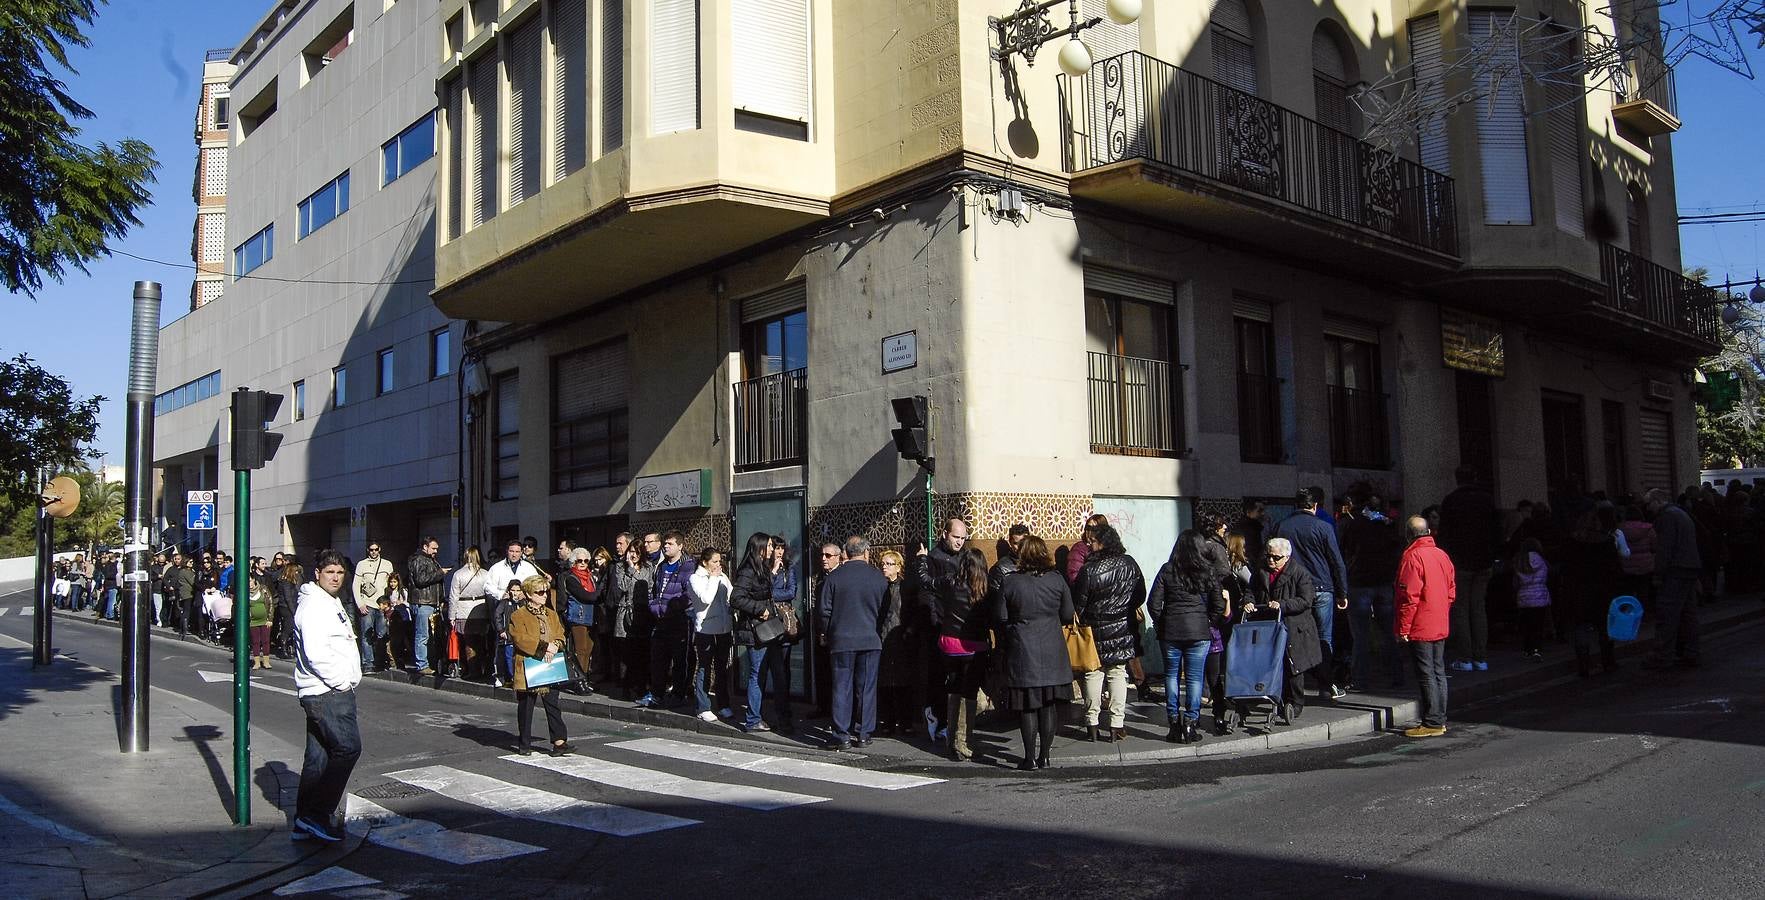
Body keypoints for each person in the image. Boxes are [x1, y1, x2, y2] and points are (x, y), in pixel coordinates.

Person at [290, 549, 363, 843]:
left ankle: (304, 821)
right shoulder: (313, 607)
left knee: (318, 758)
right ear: (317, 573)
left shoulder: (328, 601)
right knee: (348, 748)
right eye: (329, 572)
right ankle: (317, 815)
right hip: (327, 692)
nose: (335, 577)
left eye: (340, 572)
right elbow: (316, 653)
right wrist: (341, 683)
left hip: (325, 690)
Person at [993, 536, 1075, 770]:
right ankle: (1045, 756)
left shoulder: (1010, 582)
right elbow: (1068, 613)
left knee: (1028, 706)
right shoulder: (1057, 580)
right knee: (1048, 706)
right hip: (1053, 649)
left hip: (1022, 649)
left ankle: (1029, 758)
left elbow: (1001, 616)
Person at [1148, 529, 1227, 745]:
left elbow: (1153, 603)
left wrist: (1161, 622)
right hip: (1199, 632)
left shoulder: (1167, 570)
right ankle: (1191, 723)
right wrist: (1208, 620)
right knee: (1194, 678)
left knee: (1171, 676)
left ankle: (1174, 723)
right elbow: (1219, 604)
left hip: (1171, 631)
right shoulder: (1208, 571)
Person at [1272, 489, 1348, 699]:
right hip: (1321, 587)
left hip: (1292, 589)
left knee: (1294, 637)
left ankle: (1295, 685)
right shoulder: (1323, 527)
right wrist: (1342, 592)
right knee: (1324, 638)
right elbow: (1336, 560)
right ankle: (1325, 684)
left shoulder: (1282, 526)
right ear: (1315, 506)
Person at [1072, 523, 1145, 742]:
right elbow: (1139, 594)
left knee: (1094, 673)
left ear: (1102, 542)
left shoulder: (1089, 569)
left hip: (1095, 628)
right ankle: (1116, 724)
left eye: (1092, 541)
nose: (1090, 545)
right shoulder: (1129, 563)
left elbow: (1080, 603)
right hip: (1122, 625)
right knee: (1117, 673)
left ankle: (1092, 723)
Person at [919, 543, 991, 760]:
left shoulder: (951, 582)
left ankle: (953, 741)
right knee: (969, 693)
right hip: (974, 646)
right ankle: (962, 741)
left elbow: (926, 581)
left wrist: (922, 559)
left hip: (949, 643)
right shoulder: (987, 590)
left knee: (954, 688)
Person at [818, 536, 890, 751]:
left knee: (842, 686)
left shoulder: (834, 577)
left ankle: (842, 735)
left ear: (846, 553)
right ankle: (864, 733)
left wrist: (826, 632)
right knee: (867, 688)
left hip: (841, 640)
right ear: (866, 552)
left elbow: (824, 611)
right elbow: (884, 610)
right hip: (870, 639)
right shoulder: (878, 578)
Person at [1246, 537, 1323, 724]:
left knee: (1293, 666)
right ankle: (1277, 699)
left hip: (1293, 626)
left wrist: (1282, 604)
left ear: (1287, 557)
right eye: (1268, 556)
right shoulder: (1261, 571)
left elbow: (1306, 600)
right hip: (1269, 625)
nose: (1271, 560)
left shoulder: (1300, 573)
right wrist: (1247, 602)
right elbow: (1251, 591)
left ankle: (1295, 702)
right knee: (1274, 664)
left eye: (1276, 557)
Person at [1395, 516, 1456, 738]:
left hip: (1420, 622)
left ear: (1408, 534)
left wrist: (1403, 628)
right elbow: (1451, 590)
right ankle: (1439, 719)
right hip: (1439, 619)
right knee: (1438, 671)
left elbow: (1408, 597)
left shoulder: (1412, 557)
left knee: (1426, 673)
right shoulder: (1441, 554)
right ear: (1428, 531)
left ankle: (1432, 721)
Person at [1437, 466, 1501, 672]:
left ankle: (1465, 657)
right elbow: (1496, 530)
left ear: (1457, 480)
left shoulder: (1451, 502)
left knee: (1461, 609)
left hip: (1460, 562)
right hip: (1483, 561)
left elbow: (1445, 535)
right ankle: (1480, 656)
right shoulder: (1487, 500)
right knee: (1478, 608)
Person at [1339, 493, 1405, 691]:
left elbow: (1345, 552)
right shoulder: (1387, 524)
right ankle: (1395, 674)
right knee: (1387, 631)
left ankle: (1361, 678)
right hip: (1384, 582)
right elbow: (1396, 551)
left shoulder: (1353, 525)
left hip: (1360, 582)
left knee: (1361, 635)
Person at [509, 574, 576, 757]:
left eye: (546, 591)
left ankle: (559, 742)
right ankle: (524, 743)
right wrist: (544, 648)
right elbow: (519, 639)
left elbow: (561, 634)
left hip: (549, 664)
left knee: (553, 704)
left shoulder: (551, 614)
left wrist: (556, 645)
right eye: (540, 592)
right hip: (528, 665)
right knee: (526, 707)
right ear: (529, 594)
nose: (544, 595)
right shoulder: (518, 615)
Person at [729, 533, 784, 733]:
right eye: (769, 545)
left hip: (769, 629)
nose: (772, 549)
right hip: (756, 631)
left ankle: (781, 716)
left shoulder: (762, 568)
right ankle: (753, 719)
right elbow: (736, 598)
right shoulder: (748, 570)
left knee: (777, 672)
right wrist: (759, 609)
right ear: (759, 547)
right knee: (757, 673)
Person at [1563, 509, 1626, 676]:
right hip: (1603, 590)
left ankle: (1583, 665)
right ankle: (1608, 661)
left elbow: (1566, 569)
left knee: (1581, 627)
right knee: (1604, 627)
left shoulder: (1571, 543)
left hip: (1579, 590)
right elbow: (1615, 570)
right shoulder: (1606, 542)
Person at [1645, 488, 1702, 669]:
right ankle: (1691, 652)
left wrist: (1658, 574)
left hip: (1675, 570)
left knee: (1667, 614)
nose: (1648, 509)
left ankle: (1663, 656)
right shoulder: (1681, 514)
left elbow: (1665, 549)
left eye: (1648, 504)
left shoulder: (1667, 517)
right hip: (1689, 568)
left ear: (1657, 501)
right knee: (1688, 614)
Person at [638, 533, 696, 709]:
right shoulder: (662, 566)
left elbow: (690, 593)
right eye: (665, 544)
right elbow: (655, 590)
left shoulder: (688, 566)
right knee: (658, 659)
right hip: (661, 619)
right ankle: (657, 694)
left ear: (680, 545)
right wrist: (655, 607)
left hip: (680, 618)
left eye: (670, 544)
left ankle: (679, 694)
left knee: (680, 659)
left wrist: (673, 606)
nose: (666, 547)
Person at [876, 549, 923, 737]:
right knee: (885, 682)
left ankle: (905, 722)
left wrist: (909, 631)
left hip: (901, 639)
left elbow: (914, 611)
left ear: (898, 566)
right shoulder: (879, 587)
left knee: (903, 682)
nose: (885, 568)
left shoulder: (906, 587)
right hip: (883, 637)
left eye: (889, 564)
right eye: (883, 564)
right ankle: (888, 721)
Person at [689, 547, 736, 721]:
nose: (718, 565)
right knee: (704, 666)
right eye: (714, 561)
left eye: (719, 561)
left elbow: (731, 596)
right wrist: (714, 579)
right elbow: (705, 598)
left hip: (724, 628)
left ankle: (723, 704)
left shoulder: (723, 577)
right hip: (706, 630)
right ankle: (702, 706)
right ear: (704, 562)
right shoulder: (695, 579)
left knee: (722, 668)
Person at [615, 544, 656, 699]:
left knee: (642, 652)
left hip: (643, 613)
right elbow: (622, 586)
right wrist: (631, 568)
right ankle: (626, 687)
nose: (633, 555)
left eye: (637, 552)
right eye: (631, 552)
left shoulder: (649, 567)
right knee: (627, 653)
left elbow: (650, 587)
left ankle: (641, 686)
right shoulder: (621, 567)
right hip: (626, 613)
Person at [406, 537, 451, 676]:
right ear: (425, 547)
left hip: (432, 602)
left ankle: (428, 662)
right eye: (433, 548)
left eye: (437, 549)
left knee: (431, 635)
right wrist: (440, 573)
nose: (436, 551)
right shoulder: (419, 559)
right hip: (423, 602)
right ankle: (422, 664)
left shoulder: (430, 560)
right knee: (422, 635)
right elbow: (421, 580)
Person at [448, 547, 493, 680]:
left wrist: (451, 616)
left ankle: (474, 670)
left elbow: (453, 596)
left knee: (469, 642)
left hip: (464, 611)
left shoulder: (459, 574)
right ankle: (486, 669)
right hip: (482, 610)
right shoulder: (486, 574)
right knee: (482, 642)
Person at [561, 547, 599, 691]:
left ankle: (585, 678)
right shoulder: (571, 578)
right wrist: (599, 591)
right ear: (573, 562)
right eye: (579, 561)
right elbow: (587, 596)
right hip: (578, 616)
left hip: (590, 617)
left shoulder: (591, 577)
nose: (583, 563)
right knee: (581, 650)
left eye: (586, 561)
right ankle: (579, 681)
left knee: (589, 649)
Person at [1511, 538, 1552, 659]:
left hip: (1524, 596)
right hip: (1540, 596)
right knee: (1538, 625)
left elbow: (1516, 582)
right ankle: (1536, 649)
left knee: (1527, 624)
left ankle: (1527, 648)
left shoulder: (1519, 561)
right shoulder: (1542, 561)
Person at [485, 539, 542, 607]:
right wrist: (501, 594)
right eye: (511, 551)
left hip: (524, 607)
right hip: (503, 607)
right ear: (507, 551)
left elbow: (536, 585)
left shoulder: (529, 568)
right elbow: (488, 587)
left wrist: (526, 594)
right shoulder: (496, 568)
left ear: (521, 552)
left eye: (517, 552)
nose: (514, 555)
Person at [1064, 513, 1107, 585]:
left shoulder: (1108, 547)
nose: (1090, 531)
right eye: (1088, 527)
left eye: (1095, 529)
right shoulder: (1079, 549)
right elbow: (1074, 577)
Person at [163, 551, 196, 637]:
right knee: (183, 610)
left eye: (179, 559)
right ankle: (182, 628)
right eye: (176, 559)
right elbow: (192, 582)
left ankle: (181, 626)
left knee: (182, 610)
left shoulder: (185, 570)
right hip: (182, 592)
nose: (177, 561)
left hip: (181, 591)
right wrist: (169, 586)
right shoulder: (179, 570)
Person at [247, 571, 275, 670]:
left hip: (265, 620)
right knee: (255, 642)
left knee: (266, 641)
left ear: (254, 580)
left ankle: (266, 661)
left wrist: (270, 618)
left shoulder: (263, 589)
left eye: (250, 580)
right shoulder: (244, 592)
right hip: (253, 621)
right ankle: (257, 662)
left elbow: (271, 603)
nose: (249, 583)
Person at [1230, 499, 1268, 570]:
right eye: (1259, 511)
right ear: (1248, 512)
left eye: (1263, 511)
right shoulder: (1248, 528)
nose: (1263, 514)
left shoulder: (1258, 527)